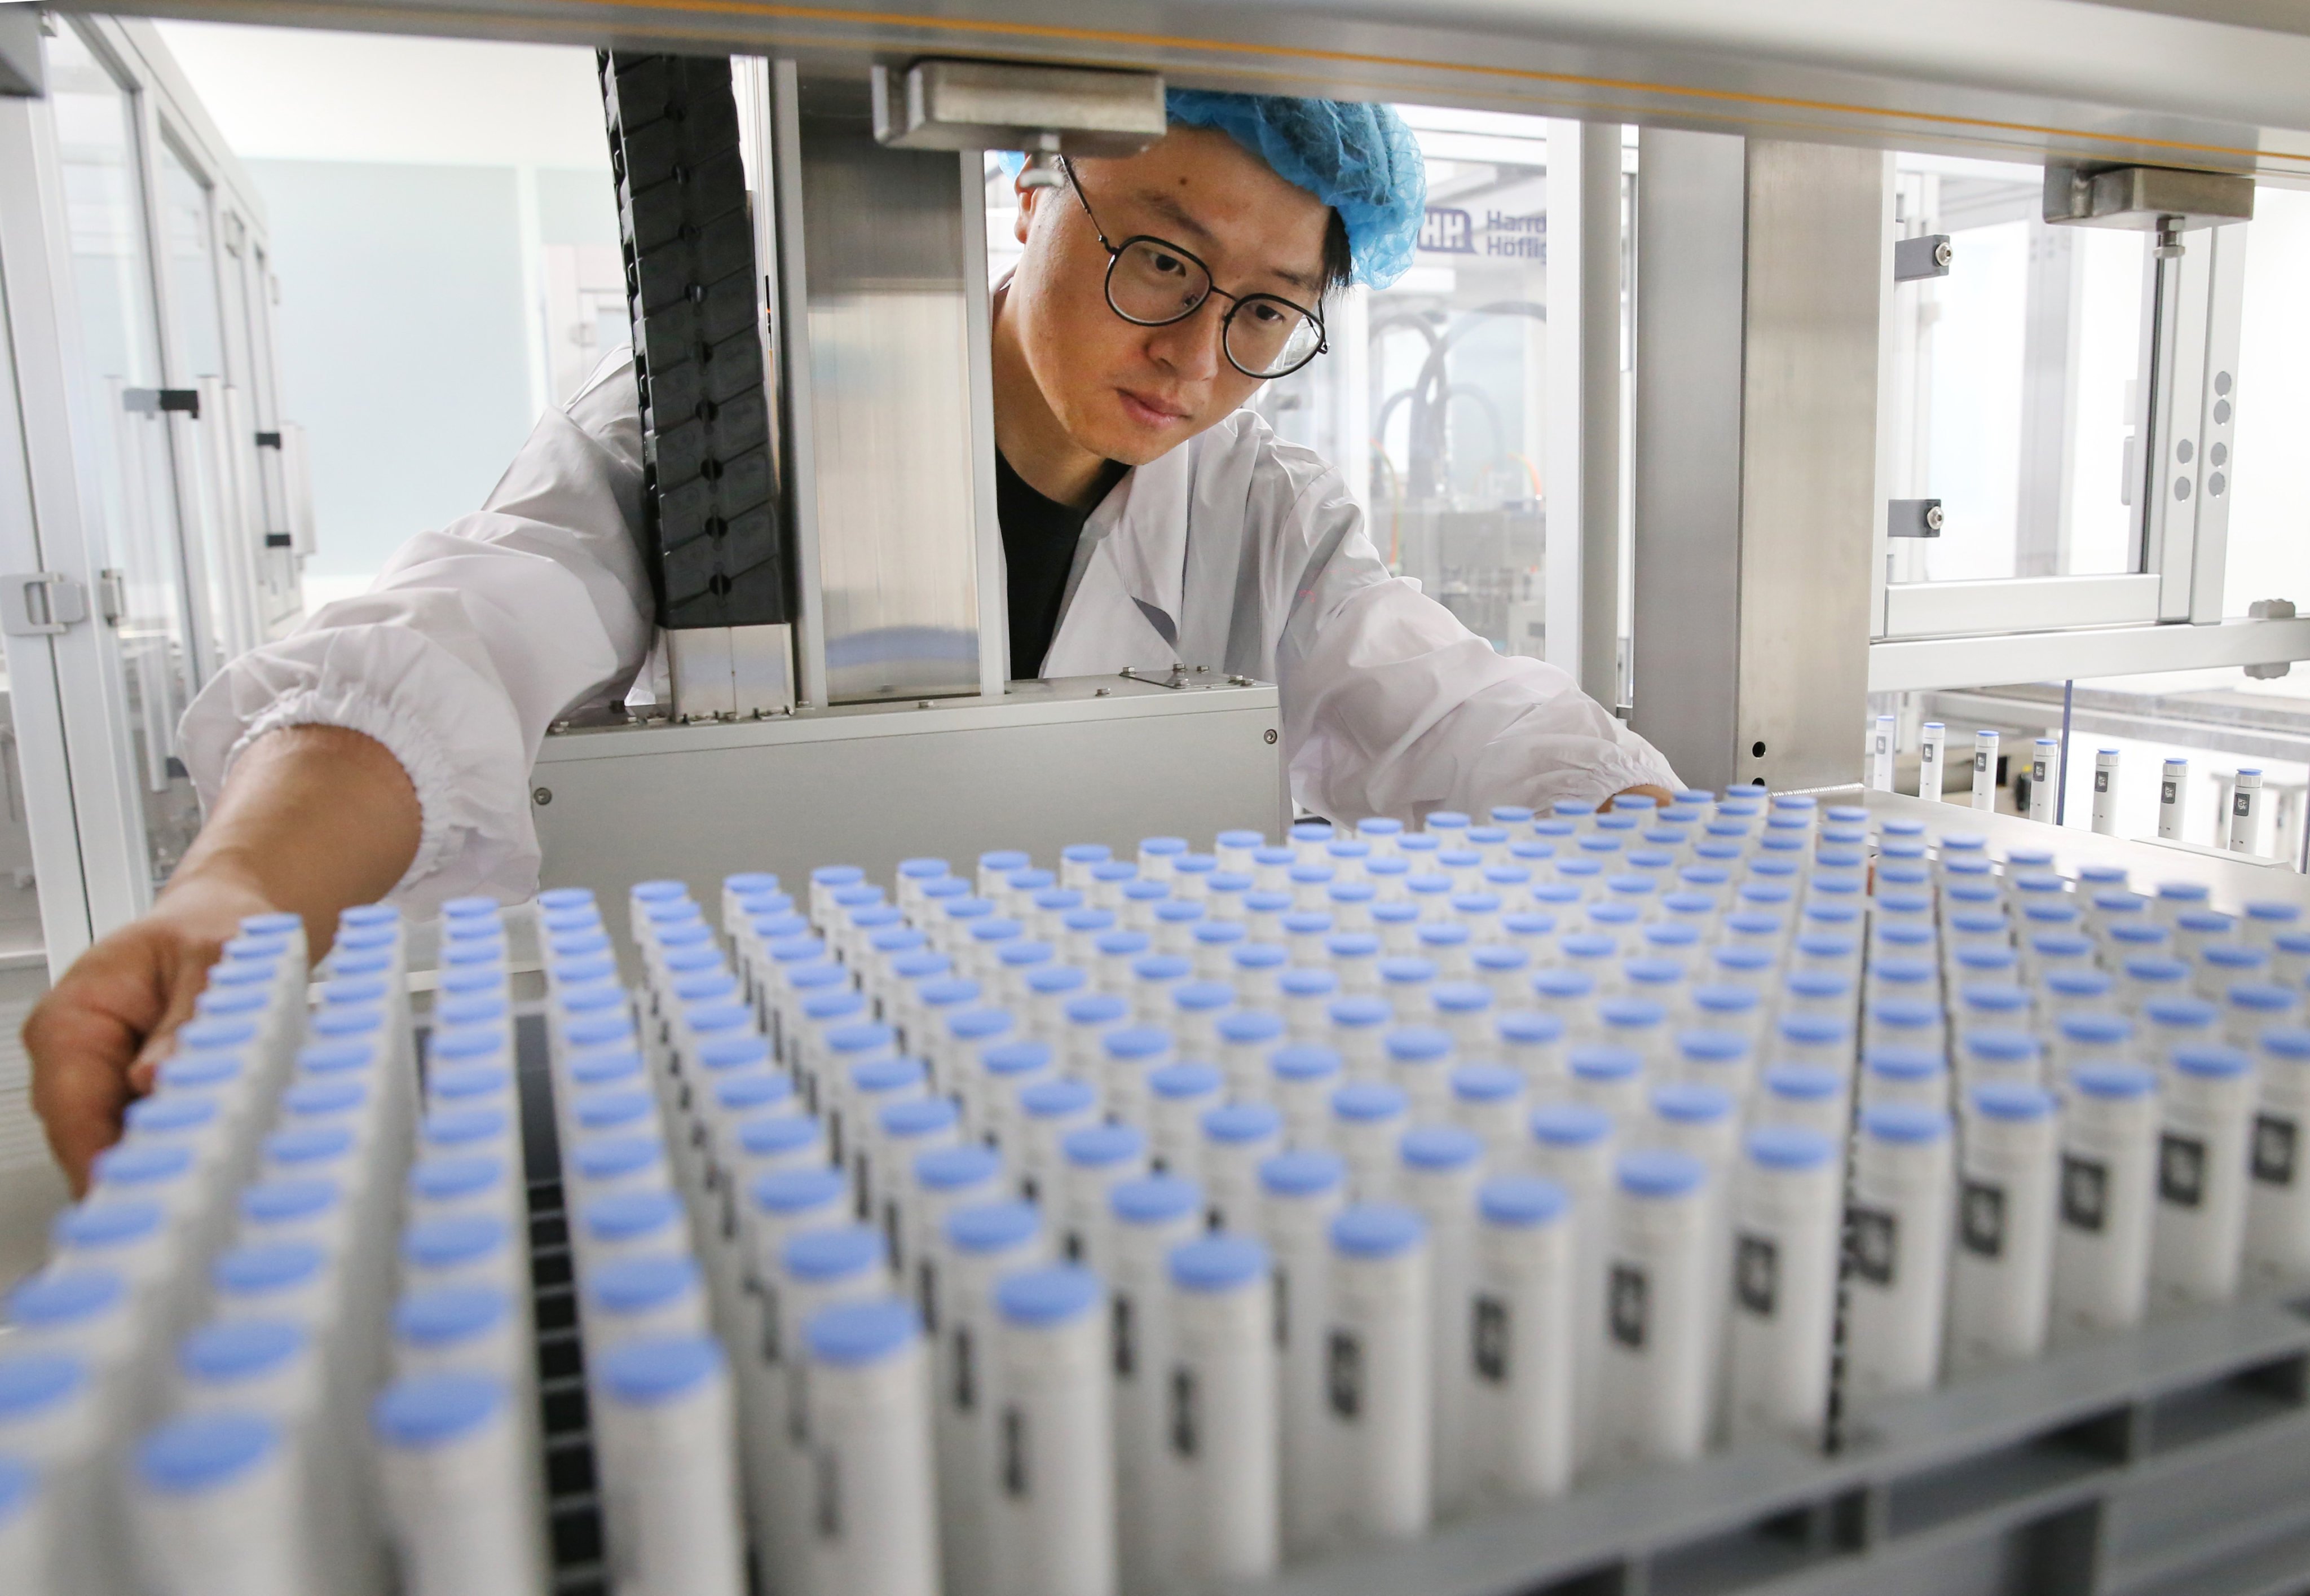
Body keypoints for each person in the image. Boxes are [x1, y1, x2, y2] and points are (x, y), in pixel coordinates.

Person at [27, 90, 1675, 1187]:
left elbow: (1431, 697)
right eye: (1163, 256)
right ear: (1036, 187)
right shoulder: (721, 427)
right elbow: (465, 631)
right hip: (725, 1122)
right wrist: (244, 888)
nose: (1197, 351)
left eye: (1265, 311)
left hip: (1104, 1124)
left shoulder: (1261, 504)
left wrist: (1660, 839)